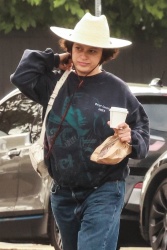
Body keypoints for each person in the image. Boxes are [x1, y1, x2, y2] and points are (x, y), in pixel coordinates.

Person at [10, 12, 150, 250]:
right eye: (78, 48)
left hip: (104, 192)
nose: (83, 56)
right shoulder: (56, 82)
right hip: (62, 194)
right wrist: (55, 59)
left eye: (92, 50)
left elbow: (143, 135)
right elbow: (22, 74)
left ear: (103, 54)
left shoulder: (118, 89)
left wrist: (131, 137)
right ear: (70, 49)